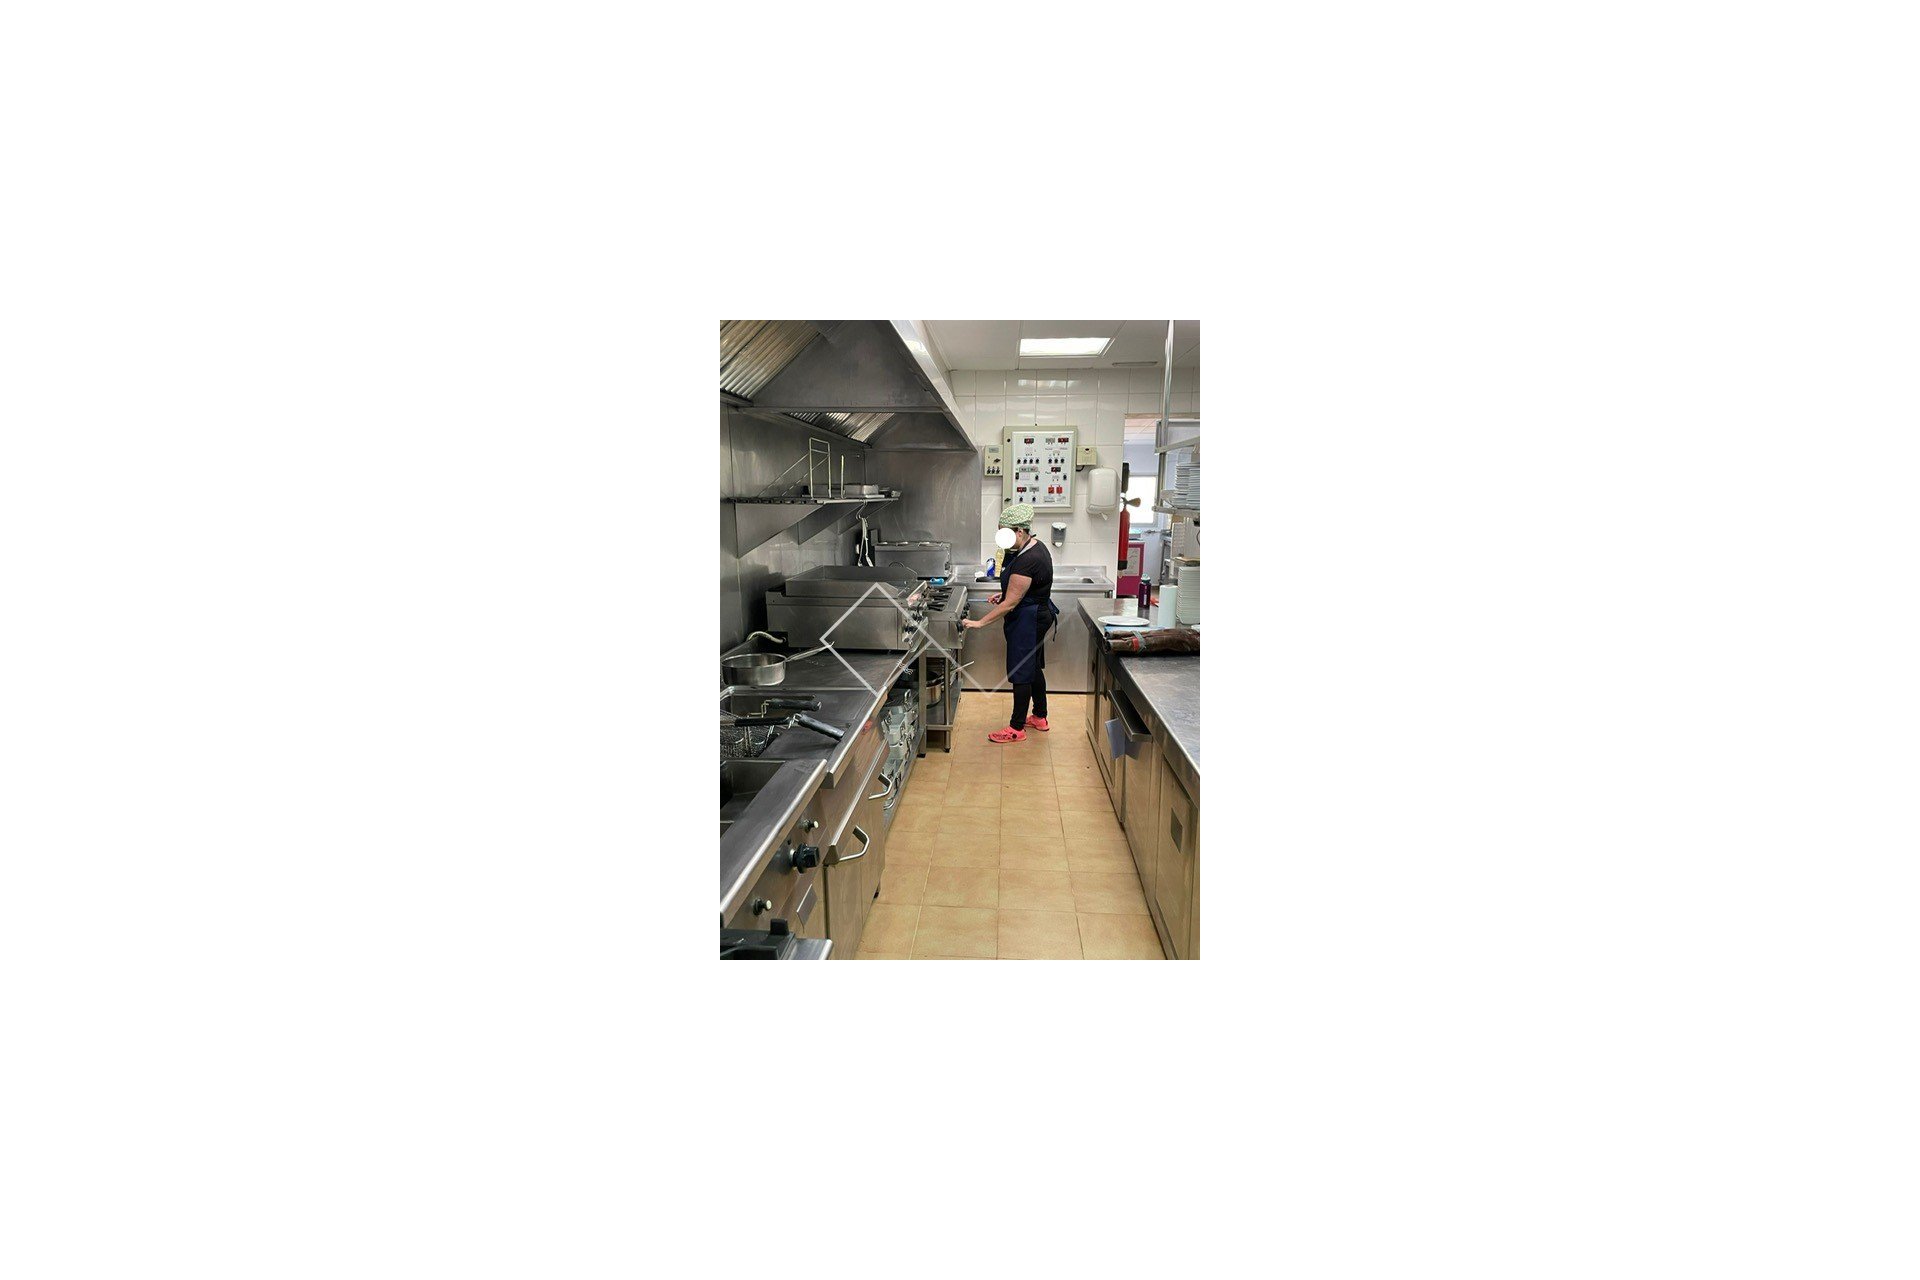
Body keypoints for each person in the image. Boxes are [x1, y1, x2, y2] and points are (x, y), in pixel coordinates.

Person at [961, 503, 1060, 743]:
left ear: (1020, 531)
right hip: (1035, 614)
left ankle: (1016, 728)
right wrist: (1005, 594)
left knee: (1021, 670)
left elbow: (1011, 604)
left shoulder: (1028, 559)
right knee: (1032, 666)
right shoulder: (1034, 546)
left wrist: (979, 623)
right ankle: (1040, 717)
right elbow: (1021, 590)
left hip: (1029, 619)